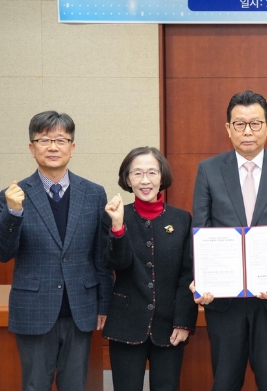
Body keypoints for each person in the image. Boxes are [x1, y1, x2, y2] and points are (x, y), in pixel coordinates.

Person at [190, 90, 267, 391]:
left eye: (255, 123)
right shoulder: (209, 170)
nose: (248, 131)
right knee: (225, 381)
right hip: (224, 300)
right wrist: (202, 277)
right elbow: (201, 230)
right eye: (239, 124)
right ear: (228, 129)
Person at [0, 111, 113, 391]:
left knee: (76, 386)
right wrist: (14, 212)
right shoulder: (12, 195)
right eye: (44, 140)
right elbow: (3, 253)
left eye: (61, 140)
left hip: (80, 309)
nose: (52, 147)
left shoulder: (94, 193)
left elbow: (101, 256)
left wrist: (104, 304)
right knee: (35, 385)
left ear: (72, 147)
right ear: (31, 147)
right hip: (33, 310)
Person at [102, 147, 197, 391]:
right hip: (126, 322)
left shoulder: (182, 219)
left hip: (170, 326)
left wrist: (184, 321)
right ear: (127, 179)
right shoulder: (115, 216)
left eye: (152, 172)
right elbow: (118, 264)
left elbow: (188, 274)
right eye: (137, 173)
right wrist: (118, 227)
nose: (145, 180)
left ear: (162, 176)